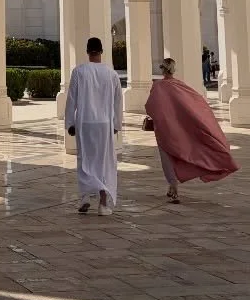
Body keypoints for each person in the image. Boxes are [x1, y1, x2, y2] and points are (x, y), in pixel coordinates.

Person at [143, 57, 238, 204]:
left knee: (167, 158)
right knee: (180, 154)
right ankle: (172, 187)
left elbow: (150, 106)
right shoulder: (180, 86)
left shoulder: (158, 86)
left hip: (164, 129)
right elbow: (194, 102)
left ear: (162, 69)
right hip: (178, 128)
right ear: (174, 69)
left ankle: (173, 185)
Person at [65, 36, 124, 215]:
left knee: (85, 160)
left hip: (85, 122)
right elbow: (118, 102)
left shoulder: (79, 71)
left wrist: (70, 123)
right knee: (103, 162)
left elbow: (71, 99)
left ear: (87, 51)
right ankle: (103, 204)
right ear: (101, 51)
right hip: (104, 124)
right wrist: (116, 124)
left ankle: (85, 198)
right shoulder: (111, 74)